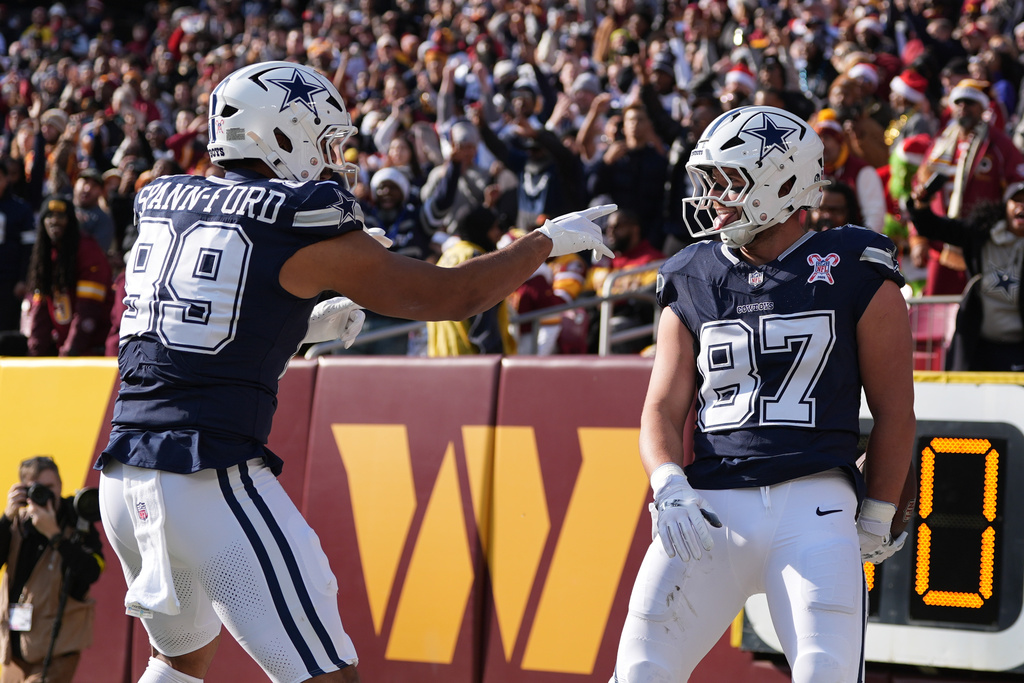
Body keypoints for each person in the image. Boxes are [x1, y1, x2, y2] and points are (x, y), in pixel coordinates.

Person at [94, 61, 613, 683]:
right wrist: (543, 243)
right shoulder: (296, 218)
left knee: (179, 662)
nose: (332, 158)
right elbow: (448, 295)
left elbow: (191, 338)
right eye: (323, 140)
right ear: (279, 135)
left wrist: (294, 328)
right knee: (327, 675)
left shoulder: (165, 199)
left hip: (125, 477)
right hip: (207, 476)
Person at [610, 106, 916, 683]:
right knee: (639, 673)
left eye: (729, 180)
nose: (713, 196)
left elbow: (895, 409)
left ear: (781, 181)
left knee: (825, 673)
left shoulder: (854, 264)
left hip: (815, 506)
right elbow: (661, 406)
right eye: (711, 180)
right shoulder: (693, 271)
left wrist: (877, 508)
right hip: (709, 508)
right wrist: (667, 481)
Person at [0, 456, 104, 683]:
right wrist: (6, 519)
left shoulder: (77, 520)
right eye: (36, 489)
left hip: (57, 650)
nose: (45, 495)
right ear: (23, 490)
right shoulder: (17, 521)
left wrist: (56, 536)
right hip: (16, 647)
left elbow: (92, 571)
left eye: (50, 487)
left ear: (60, 485)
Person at [904, 180, 1024, 371]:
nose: (1021, 206)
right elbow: (935, 228)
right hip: (977, 343)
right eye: (1016, 201)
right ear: (1004, 206)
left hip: (1018, 348)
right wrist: (921, 205)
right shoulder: (981, 234)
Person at [22, 196, 112, 357]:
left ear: (71, 221)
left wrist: (69, 351)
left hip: (94, 349)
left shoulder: (88, 249)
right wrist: (34, 355)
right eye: (49, 216)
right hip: (66, 348)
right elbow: (39, 312)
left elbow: (88, 309)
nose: (54, 221)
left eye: (61, 216)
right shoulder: (44, 256)